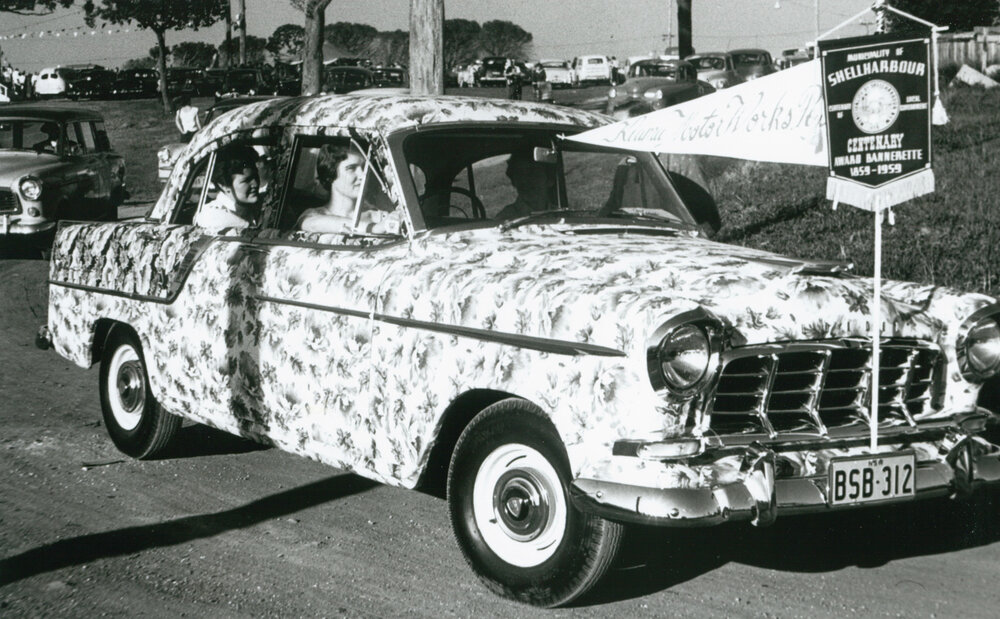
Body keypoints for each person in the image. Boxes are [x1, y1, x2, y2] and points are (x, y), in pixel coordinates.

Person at [296, 143, 399, 234]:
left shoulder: (377, 216)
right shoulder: (313, 215)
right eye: (351, 168)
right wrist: (372, 228)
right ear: (330, 174)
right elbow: (313, 224)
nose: (363, 174)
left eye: (364, 168)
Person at [193, 145, 261, 229]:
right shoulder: (211, 215)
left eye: (256, 176)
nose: (255, 184)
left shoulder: (258, 204)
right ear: (224, 186)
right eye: (246, 181)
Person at [495, 150, 556, 221]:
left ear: (550, 179)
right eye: (520, 174)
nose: (526, 180)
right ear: (514, 181)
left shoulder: (563, 216)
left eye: (533, 173)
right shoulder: (504, 220)